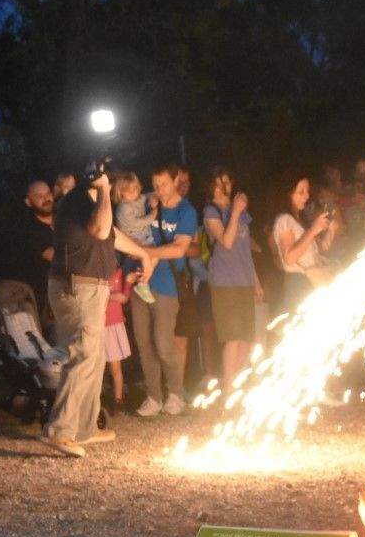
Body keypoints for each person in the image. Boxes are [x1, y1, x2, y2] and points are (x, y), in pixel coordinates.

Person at [40, 170, 155, 458]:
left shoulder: (94, 204)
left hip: (91, 287)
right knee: (84, 353)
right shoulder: (77, 201)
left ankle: (85, 427)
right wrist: (103, 190)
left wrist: (144, 254)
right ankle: (60, 430)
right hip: (77, 286)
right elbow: (102, 230)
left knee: (95, 354)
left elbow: (112, 235)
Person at [129, 165, 198, 417]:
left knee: (163, 342)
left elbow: (179, 249)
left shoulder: (185, 211)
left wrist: (146, 253)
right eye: (156, 184)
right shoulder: (150, 204)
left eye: (165, 184)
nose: (160, 190)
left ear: (176, 181)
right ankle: (153, 396)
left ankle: (176, 393)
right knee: (144, 343)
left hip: (167, 284)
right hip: (140, 282)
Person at [201, 168, 262, 393]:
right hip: (225, 281)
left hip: (244, 279)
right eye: (221, 182)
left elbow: (245, 249)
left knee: (246, 337)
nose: (226, 185)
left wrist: (256, 281)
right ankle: (228, 391)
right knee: (233, 336)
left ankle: (240, 387)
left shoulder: (240, 212)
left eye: (228, 180)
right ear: (213, 186)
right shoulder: (211, 211)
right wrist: (235, 212)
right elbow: (226, 242)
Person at [270, 176, 336, 309]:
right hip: (299, 283)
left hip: (314, 280)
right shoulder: (285, 220)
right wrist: (313, 230)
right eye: (301, 192)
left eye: (307, 191)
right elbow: (289, 258)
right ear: (288, 193)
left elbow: (318, 252)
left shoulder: (301, 221)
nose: (306, 195)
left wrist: (331, 231)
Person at [105, 265, 133, 409]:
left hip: (113, 324)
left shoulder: (119, 272)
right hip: (99, 324)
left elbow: (123, 297)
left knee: (115, 366)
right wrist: (110, 296)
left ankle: (118, 399)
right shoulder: (97, 272)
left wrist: (128, 282)